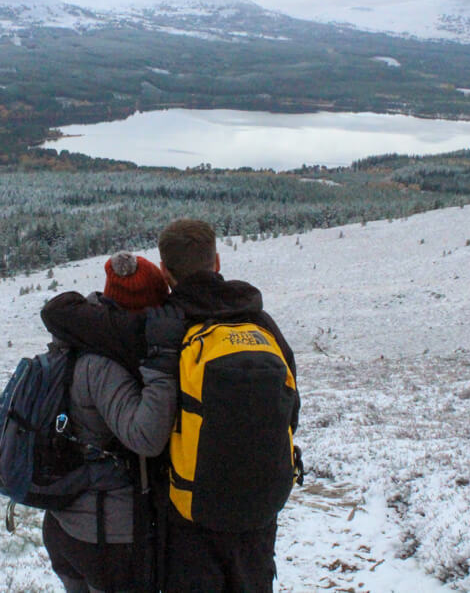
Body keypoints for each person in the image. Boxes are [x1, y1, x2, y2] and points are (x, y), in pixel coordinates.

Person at [42, 219, 299, 593]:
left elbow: (59, 314)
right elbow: (291, 410)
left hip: (188, 516)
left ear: (165, 270)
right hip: (259, 511)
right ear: (217, 262)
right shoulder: (261, 324)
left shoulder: (162, 326)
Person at [40, 250, 178, 593]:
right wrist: (161, 370)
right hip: (104, 535)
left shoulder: (73, 338)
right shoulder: (103, 365)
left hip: (66, 524)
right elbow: (145, 437)